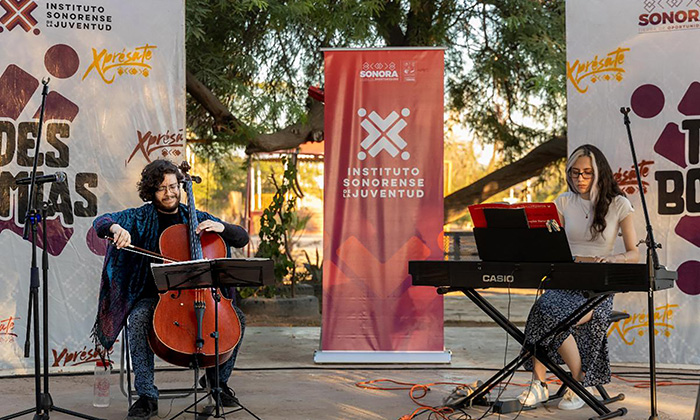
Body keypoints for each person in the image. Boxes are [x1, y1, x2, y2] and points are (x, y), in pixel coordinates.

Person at [91, 160, 249, 420]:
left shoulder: (196, 217)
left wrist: (222, 228)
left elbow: (240, 236)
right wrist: (115, 228)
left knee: (238, 320)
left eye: (174, 186)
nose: (169, 192)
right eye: (161, 188)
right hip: (157, 296)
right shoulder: (140, 217)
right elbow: (101, 222)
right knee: (139, 318)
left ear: (181, 186)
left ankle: (216, 383)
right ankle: (146, 395)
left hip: (201, 296)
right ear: (151, 192)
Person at [517, 144, 639, 411]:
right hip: (565, 280)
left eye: (586, 173)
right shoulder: (563, 201)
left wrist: (613, 259)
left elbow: (634, 253)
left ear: (599, 174)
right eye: (574, 173)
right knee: (543, 308)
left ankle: (577, 381)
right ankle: (539, 384)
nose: (579, 179)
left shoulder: (619, 204)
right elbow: (554, 246)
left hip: (596, 288)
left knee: (555, 316)